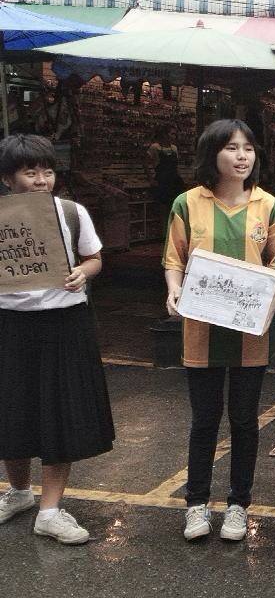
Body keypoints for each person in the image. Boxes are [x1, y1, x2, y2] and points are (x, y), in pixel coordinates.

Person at [163, 119, 275, 543]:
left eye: (248, 148)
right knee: (204, 420)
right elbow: (174, 259)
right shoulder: (187, 203)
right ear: (211, 153)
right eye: (232, 148)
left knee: (245, 421)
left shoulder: (268, 206)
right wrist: (174, 290)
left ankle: (238, 504)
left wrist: (269, 309)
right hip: (201, 331)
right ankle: (196, 503)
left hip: (251, 334)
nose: (242, 156)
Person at [0, 134, 113, 545]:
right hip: (10, 324)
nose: (41, 180)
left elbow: (94, 258)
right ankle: (18, 492)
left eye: (47, 172)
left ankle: (50, 510)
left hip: (65, 324)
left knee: (60, 413)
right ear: (8, 178)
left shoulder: (71, 212)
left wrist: (83, 272)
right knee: (11, 411)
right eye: (30, 172)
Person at [146, 124, 185, 213]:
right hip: (162, 181)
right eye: (172, 134)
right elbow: (145, 163)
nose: (174, 136)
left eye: (175, 134)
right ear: (165, 134)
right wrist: (151, 179)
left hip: (174, 181)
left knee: (176, 208)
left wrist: (180, 177)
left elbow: (176, 166)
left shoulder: (174, 148)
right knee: (163, 208)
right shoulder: (155, 147)